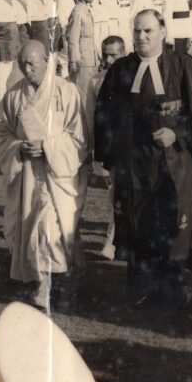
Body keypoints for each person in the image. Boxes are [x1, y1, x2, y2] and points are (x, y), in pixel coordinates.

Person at [94, 10, 192, 307]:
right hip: (134, 163)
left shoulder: (183, 65)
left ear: (163, 32)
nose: (141, 37)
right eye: (137, 31)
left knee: (173, 224)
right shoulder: (121, 69)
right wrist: (110, 158)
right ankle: (142, 288)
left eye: (148, 31)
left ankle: (173, 289)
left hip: (175, 162)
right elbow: (105, 116)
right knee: (138, 223)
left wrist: (177, 134)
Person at [0, 40, 87, 309]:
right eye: (22, 64)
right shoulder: (14, 95)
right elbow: (0, 132)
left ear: (47, 61)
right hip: (28, 174)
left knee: (49, 227)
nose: (27, 68)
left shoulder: (67, 91)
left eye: (32, 63)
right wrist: (19, 147)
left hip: (59, 173)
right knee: (38, 225)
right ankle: (52, 278)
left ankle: (45, 284)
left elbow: (79, 136)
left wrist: (47, 147)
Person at [82, 36, 125, 261]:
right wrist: (88, 150)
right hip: (107, 148)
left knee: (122, 194)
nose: (108, 60)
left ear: (124, 54)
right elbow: (89, 118)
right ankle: (115, 240)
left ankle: (111, 241)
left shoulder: (134, 78)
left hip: (130, 147)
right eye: (105, 54)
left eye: (114, 55)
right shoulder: (95, 82)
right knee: (115, 194)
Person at [66, 0, 98, 91]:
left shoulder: (85, 9)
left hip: (90, 56)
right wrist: (74, 60)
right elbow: (72, 38)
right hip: (82, 58)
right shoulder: (77, 12)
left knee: (90, 88)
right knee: (82, 89)